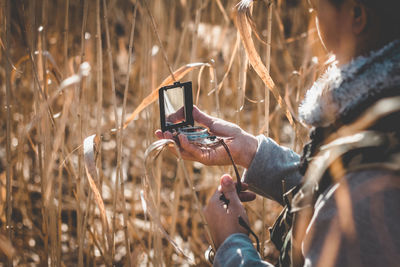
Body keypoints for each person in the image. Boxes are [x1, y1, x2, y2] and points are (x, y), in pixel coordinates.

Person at [156, 0, 400, 266]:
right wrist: (250, 151)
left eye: (316, 8)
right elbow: (330, 191)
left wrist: (232, 244)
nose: (312, 21)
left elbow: (347, 197)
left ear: (356, 14)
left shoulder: (369, 193)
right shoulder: (378, 117)